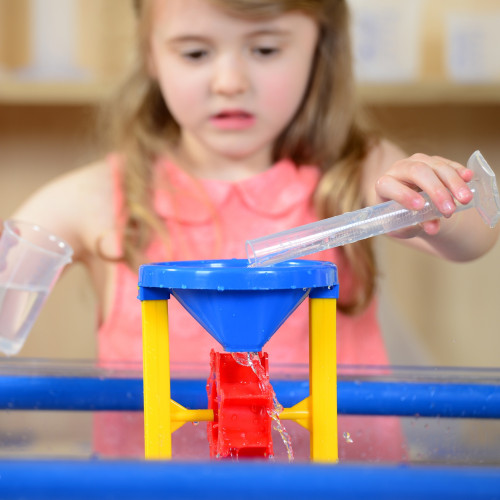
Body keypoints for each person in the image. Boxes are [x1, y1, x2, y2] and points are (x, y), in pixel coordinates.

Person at [7, 0, 499, 460]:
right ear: (151, 53)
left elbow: (474, 236)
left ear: (319, 47)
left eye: (265, 49)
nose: (230, 81)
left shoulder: (359, 169)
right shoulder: (96, 199)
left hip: (340, 483)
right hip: (153, 484)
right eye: (196, 52)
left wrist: (434, 203)